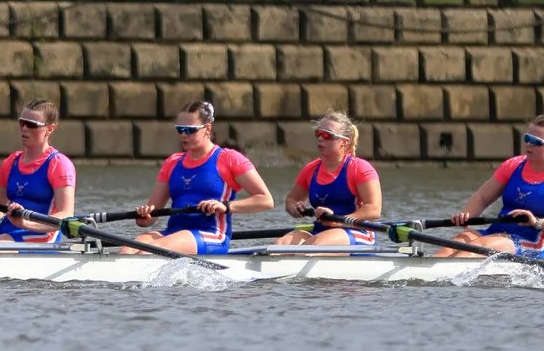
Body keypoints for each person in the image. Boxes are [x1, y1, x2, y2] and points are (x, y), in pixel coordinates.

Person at [129, 100, 274, 254]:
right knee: (128, 250)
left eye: (190, 130)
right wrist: (145, 216)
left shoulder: (230, 159)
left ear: (207, 129)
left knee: (149, 251)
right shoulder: (172, 162)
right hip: (173, 233)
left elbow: (266, 200)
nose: (183, 135)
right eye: (180, 129)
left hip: (212, 235)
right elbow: (152, 215)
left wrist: (226, 206)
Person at [444, 116, 544, 258]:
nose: (528, 144)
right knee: (451, 247)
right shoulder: (514, 165)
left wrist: (536, 222)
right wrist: (467, 215)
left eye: (535, 141)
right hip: (495, 233)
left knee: (475, 248)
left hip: (531, 243)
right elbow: (482, 198)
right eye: (527, 138)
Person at [0, 100, 78, 243]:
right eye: (22, 123)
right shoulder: (11, 162)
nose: (24, 128)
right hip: (7, 229)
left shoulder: (59, 164)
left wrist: (25, 224)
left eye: (31, 125)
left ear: (49, 129)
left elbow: (66, 215)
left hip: (41, 235)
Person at [279, 112, 384, 244]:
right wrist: (295, 208)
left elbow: (374, 210)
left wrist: (339, 221)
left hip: (356, 231)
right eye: (318, 133)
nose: (320, 139)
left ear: (344, 142)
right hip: (321, 231)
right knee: (280, 245)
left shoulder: (360, 168)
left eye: (327, 135)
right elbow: (291, 199)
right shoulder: (311, 170)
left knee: (314, 246)